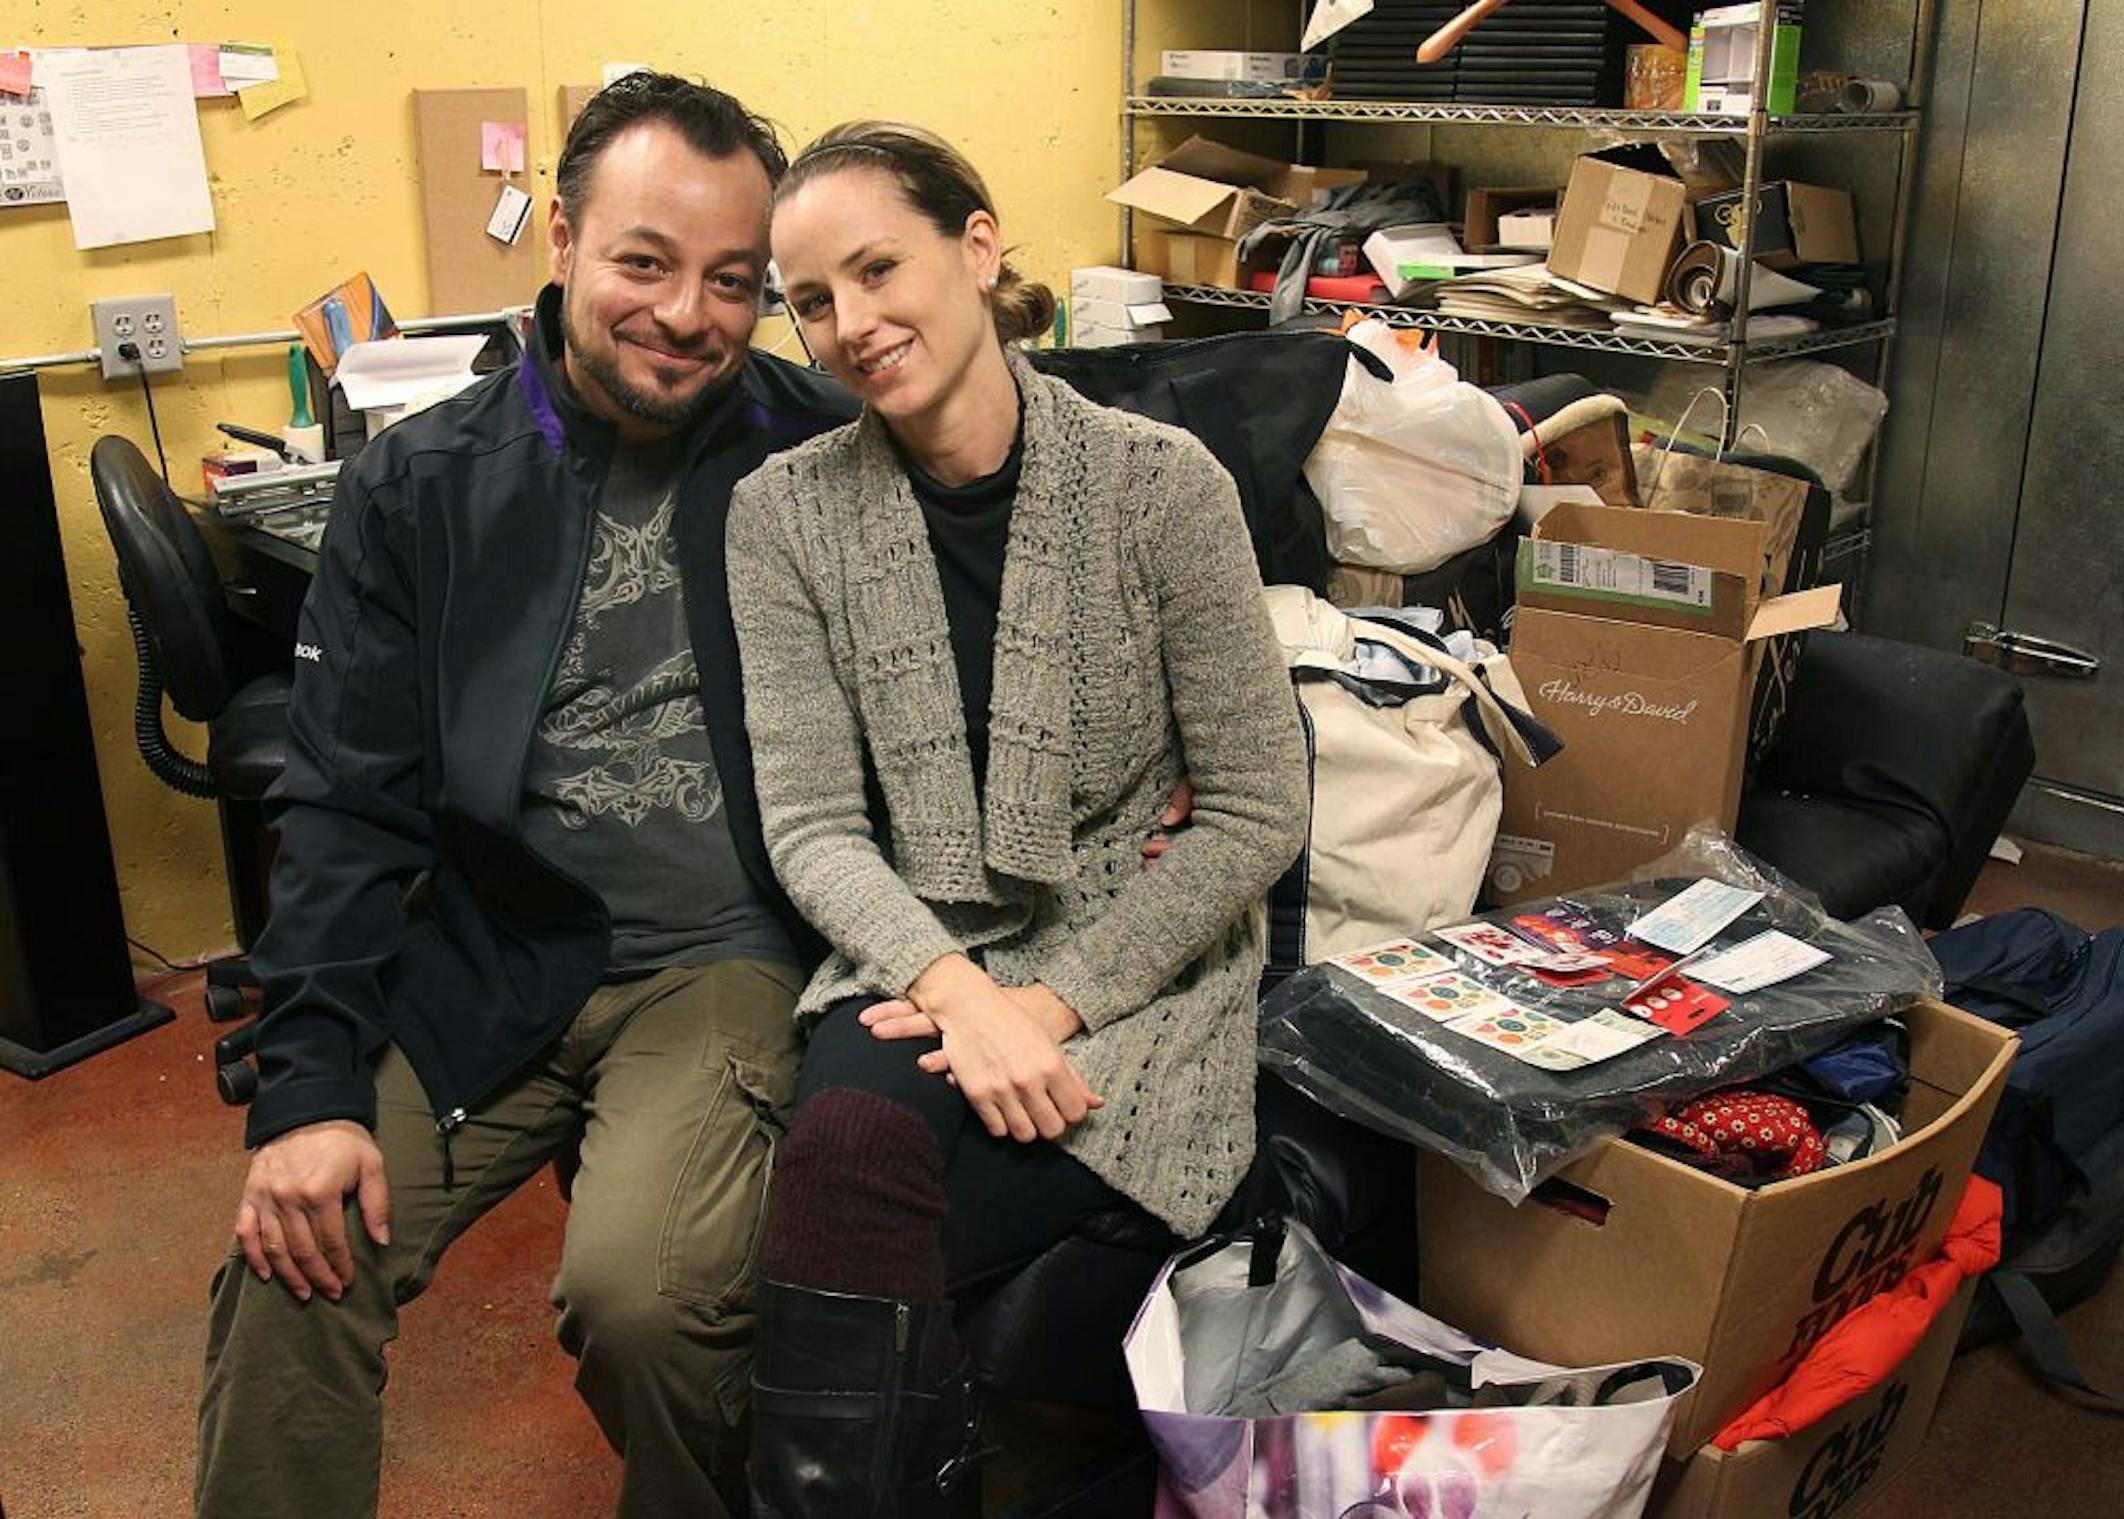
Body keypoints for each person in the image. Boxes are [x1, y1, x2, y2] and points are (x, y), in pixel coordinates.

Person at [193, 75, 859, 1519]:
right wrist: (307, 1090)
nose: (686, 314)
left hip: (719, 962)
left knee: (651, 1299)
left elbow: (1029, 534)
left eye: (732, 281)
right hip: (490, 947)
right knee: (295, 1255)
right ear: (561, 238)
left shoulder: (827, 450)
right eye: (644, 261)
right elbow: (346, 804)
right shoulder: (423, 485)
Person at [726, 121, 1310, 1517]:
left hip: (1138, 963)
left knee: (850, 1255)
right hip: (919, 952)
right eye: (812, 300)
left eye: (879, 268)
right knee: (847, 1162)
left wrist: (1045, 1007)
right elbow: (812, 826)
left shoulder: (1161, 486)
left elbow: (1255, 804)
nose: (852, 323)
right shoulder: (783, 515)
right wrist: (959, 993)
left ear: (978, 249)